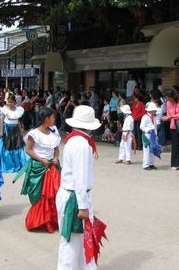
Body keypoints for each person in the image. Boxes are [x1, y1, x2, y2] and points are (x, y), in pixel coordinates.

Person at [57, 105, 106, 270]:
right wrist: (83, 206)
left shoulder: (74, 139)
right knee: (71, 243)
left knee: (78, 242)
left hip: (72, 195)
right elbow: (80, 179)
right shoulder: (82, 145)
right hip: (75, 198)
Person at [16, 107, 61, 233]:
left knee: (52, 195)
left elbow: (56, 149)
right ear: (46, 119)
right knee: (39, 195)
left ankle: (51, 220)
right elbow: (28, 150)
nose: (54, 119)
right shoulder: (34, 133)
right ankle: (39, 220)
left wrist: (56, 158)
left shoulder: (53, 134)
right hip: (38, 167)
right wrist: (41, 160)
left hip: (52, 167)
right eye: (53, 117)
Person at [0, 95, 28, 173]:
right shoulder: (5, 109)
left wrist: (21, 130)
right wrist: (1, 131)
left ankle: (18, 164)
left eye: (11, 102)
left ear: (14, 102)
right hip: (7, 129)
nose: (9, 103)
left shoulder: (18, 110)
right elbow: (2, 120)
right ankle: (7, 164)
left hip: (15, 129)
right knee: (7, 146)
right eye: (8, 102)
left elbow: (18, 121)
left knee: (18, 146)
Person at [163, 89, 179, 170]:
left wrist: (170, 117)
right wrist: (169, 117)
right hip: (173, 125)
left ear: (173, 96)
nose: (168, 100)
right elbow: (168, 113)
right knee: (175, 144)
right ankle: (175, 164)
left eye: (169, 98)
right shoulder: (168, 103)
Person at [140, 102, 160, 171]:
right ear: (150, 110)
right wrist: (148, 130)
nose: (155, 111)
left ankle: (151, 164)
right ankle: (145, 165)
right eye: (154, 110)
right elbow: (141, 127)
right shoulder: (145, 117)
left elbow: (155, 127)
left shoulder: (153, 117)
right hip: (147, 135)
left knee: (152, 150)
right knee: (146, 150)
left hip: (153, 135)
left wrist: (156, 135)